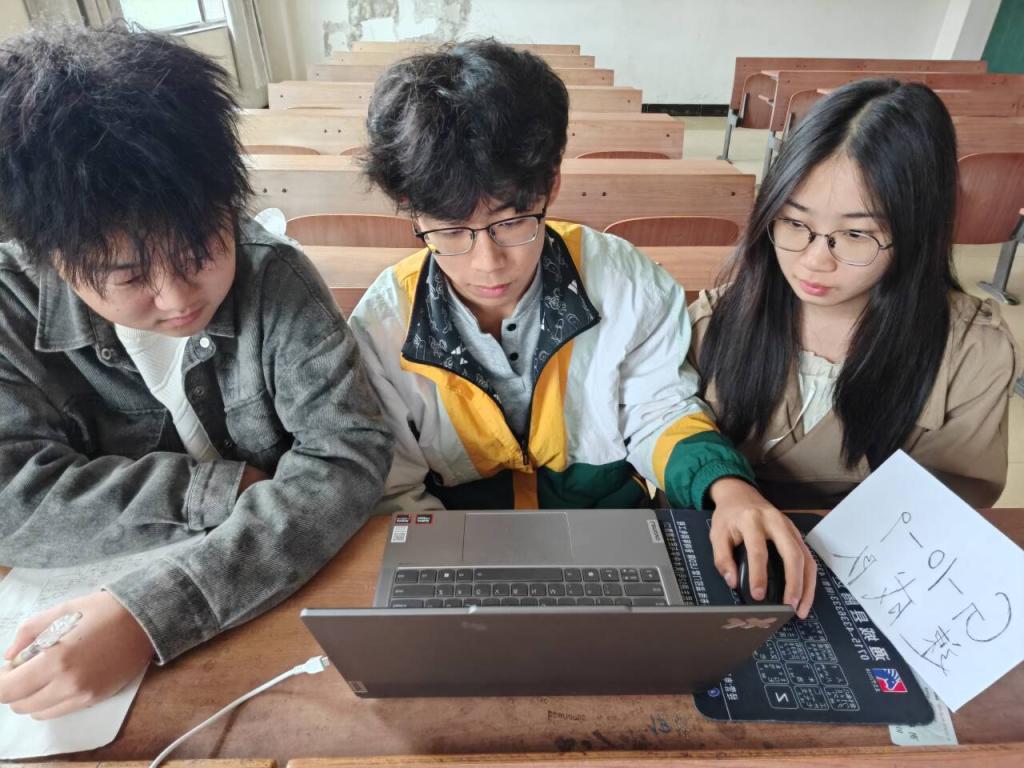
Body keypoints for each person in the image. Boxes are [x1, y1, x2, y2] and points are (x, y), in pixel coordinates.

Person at [0, 24, 392, 719]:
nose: (179, 298)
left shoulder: (275, 279)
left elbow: (346, 454)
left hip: (261, 613)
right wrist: (212, 493)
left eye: (201, 252)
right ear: (51, 256)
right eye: (129, 276)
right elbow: (11, 495)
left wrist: (150, 615)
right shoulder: (10, 307)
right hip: (84, 615)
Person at [348, 39, 816, 618]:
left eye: (511, 222)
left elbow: (659, 410)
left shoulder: (625, 282)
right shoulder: (384, 326)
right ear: (410, 208)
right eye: (449, 231)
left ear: (550, 186)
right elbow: (395, 488)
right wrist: (458, 588)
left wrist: (729, 488)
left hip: (610, 545)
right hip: (461, 555)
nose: (487, 264)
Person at [690, 79, 1020, 510]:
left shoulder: (970, 353)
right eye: (794, 223)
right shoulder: (713, 320)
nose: (814, 261)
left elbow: (952, 503)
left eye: (855, 234)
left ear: (916, 233)